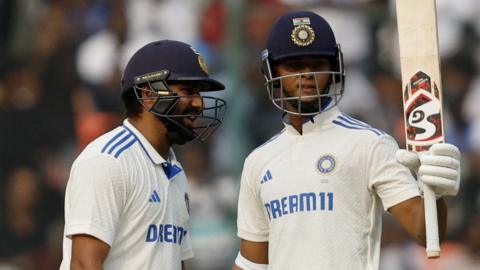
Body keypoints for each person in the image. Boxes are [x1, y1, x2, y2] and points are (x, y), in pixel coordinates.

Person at [233, 10, 461, 270]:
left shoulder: (369, 143)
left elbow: (426, 234)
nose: (307, 74)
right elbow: (251, 263)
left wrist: (435, 193)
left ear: (334, 69)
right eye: (294, 66)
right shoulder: (258, 161)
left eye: (318, 64)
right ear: (271, 71)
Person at [60, 39, 227, 270]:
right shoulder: (108, 160)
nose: (198, 103)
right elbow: (83, 264)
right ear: (149, 95)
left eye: (199, 93)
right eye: (188, 91)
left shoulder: (175, 172)